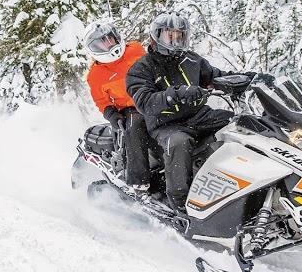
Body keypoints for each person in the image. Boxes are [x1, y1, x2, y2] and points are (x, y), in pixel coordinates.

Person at [126, 12, 254, 215]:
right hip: (165, 124)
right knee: (179, 142)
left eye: (180, 36)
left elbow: (217, 77)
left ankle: (245, 179)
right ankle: (179, 203)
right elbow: (144, 101)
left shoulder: (192, 60)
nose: (176, 41)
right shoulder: (142, 68)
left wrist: (249, 78)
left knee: (240, 123)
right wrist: (178, 93)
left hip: (199, 116)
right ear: (156, 36)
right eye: (170, 35)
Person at [84, 21, 152, 193]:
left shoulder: (135, 49)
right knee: (134, 126)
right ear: (94, 49)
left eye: (111, 39)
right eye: (103, 43)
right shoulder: (95, 75)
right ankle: (139, 182)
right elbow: (102, 101)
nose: (109, 44)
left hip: (152, 97)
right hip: (130, 109)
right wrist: (111, 114)